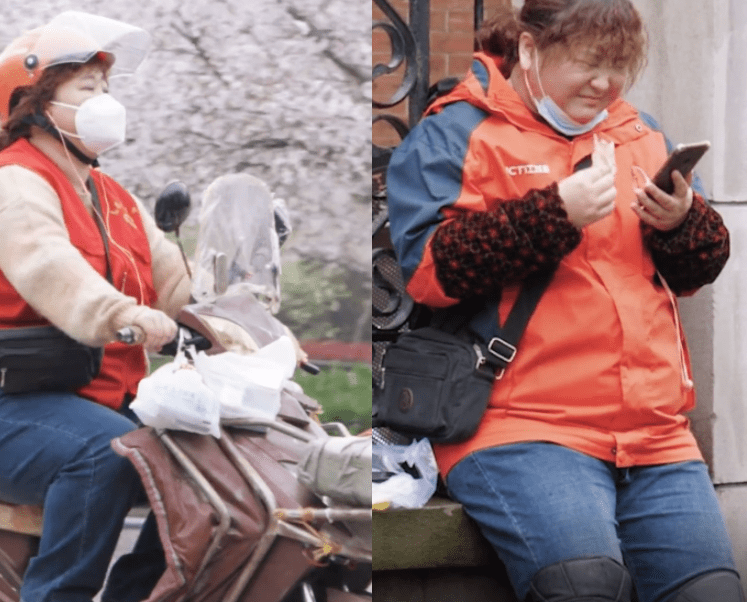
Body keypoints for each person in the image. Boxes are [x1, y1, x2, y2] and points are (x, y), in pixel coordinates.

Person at [386, 1, 740, 601]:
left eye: (620, 65)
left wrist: (682, 221)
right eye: (590, 63)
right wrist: (554, 214)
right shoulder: (457, 131)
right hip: (522, 427)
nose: (607, 83)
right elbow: (429, 270)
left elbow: (696, 271)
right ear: (529, 50)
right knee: (584, 587)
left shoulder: (641, 132)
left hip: (654, 433)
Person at [0, 12, 191, 602]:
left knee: (201, 462)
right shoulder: (15, 181)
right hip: (18, 398)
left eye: (106, 89)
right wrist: (122, 315)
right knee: (105, 455)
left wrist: (234, 314)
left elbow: (178, 284)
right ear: (35, 105)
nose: (105, 101)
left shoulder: (114, 197)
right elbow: (48, 265)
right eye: (86, 88)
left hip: (100, 398)